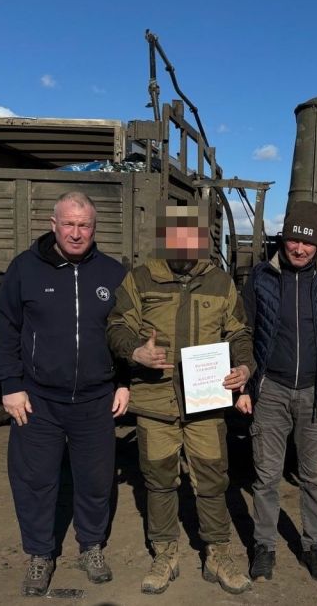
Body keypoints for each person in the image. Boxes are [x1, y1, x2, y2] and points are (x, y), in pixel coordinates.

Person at [106, 202, 254, 596]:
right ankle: (165, 553)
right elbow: (117, 325)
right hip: (156, 403)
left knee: (212, 479)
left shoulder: (220, 282)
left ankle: (217, 554)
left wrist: (244, 368)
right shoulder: (140, 280)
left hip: (205, 404)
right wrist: (135, 351)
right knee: (158, 481)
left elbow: (239, 333)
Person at [0, 191, 128, 596]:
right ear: (54, 225)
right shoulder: (24, 269)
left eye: (84, 225)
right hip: (38, 400)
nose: (76, 233)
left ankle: (91, 546)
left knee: (96, 480)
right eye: (69, 224)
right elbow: (5, 329)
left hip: (95, 400)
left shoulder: (112, 273)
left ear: (94, 228)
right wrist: (10, 385)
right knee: (35, 480)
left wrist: (124, 381)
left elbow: (124, 334)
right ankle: (39, 553)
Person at [236, 200, 317, 582]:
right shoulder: (261, 277)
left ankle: (313, 547)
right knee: (266, 477)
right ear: (284, 238)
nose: (300, 248)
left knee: (314, 479)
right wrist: (244, 387)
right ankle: (264, 547)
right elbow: (243, 333)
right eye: (294, 240)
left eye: (308, 242)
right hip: (270, 391)